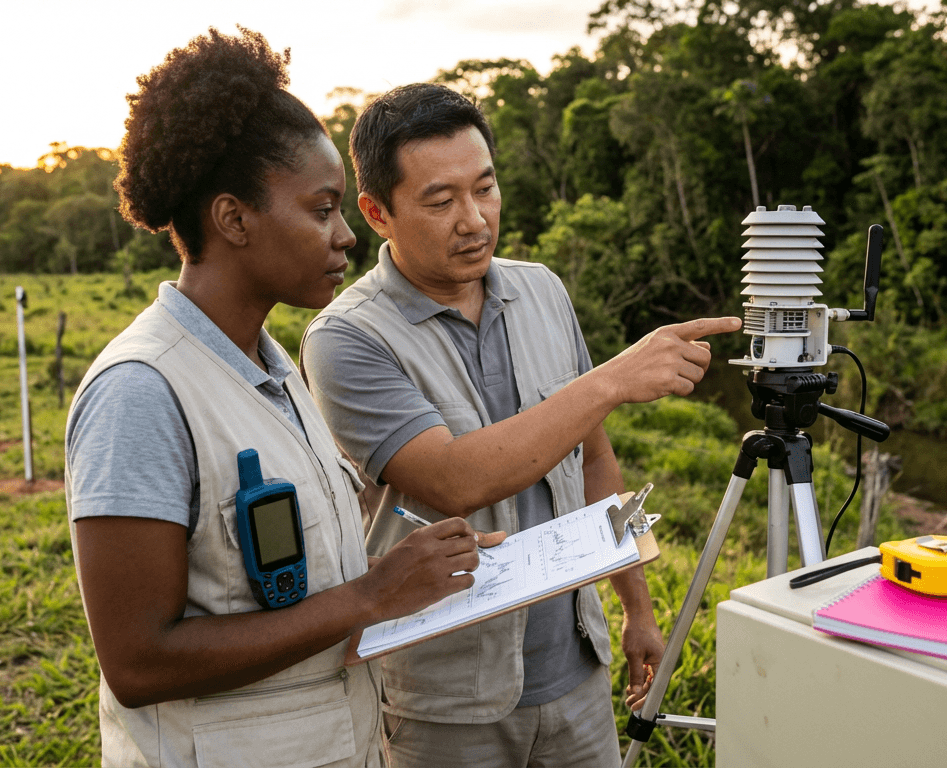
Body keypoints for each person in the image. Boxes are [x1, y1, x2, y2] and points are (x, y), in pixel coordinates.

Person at [65, 31, 502, 768]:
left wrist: (408, 569)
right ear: (234, 219)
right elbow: (138, 664)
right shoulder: (140, 393)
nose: (346, 237)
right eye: (323, 209)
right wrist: (371, 596)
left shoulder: (274, 370)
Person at [302, 83, 741, 767]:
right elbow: (454, 478)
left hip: (576, 673)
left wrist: (637, 605)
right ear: (377, 212)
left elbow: (594, 459)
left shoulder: (542, 291)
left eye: (486, 188)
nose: (474, 220)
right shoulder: (347, 339)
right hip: (443, 701)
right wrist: (612, 379)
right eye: (442, 201)